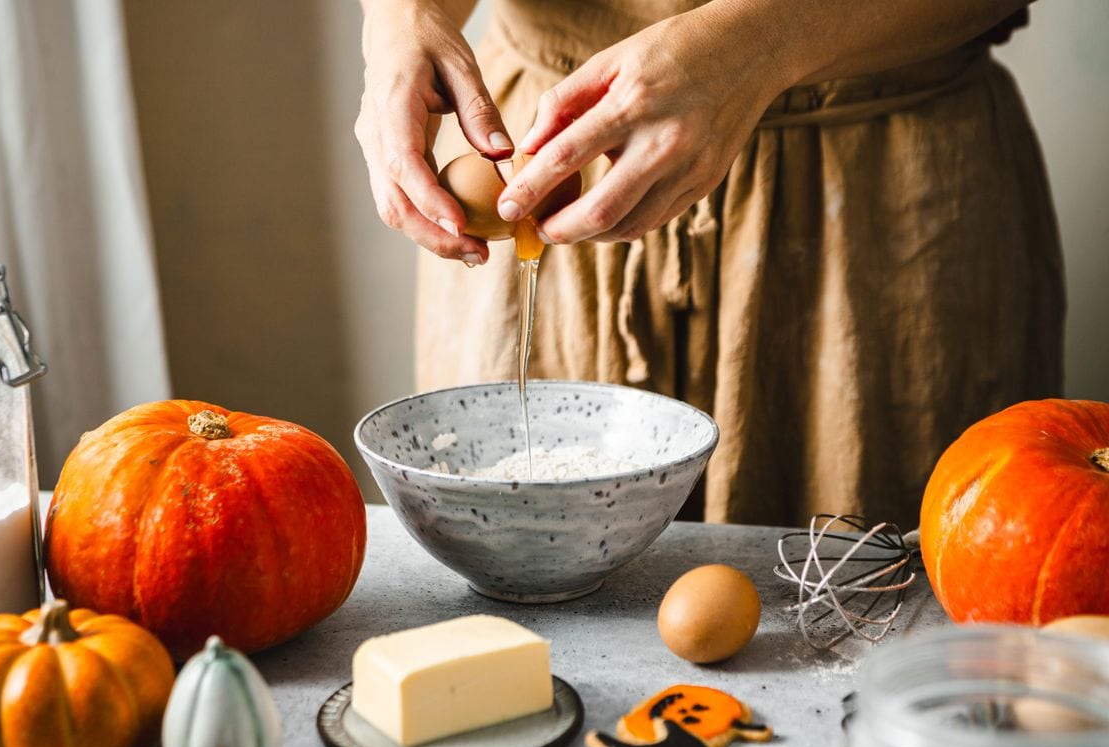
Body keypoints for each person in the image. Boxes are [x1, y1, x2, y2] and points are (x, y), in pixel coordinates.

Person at [354, 0, 1063, 528]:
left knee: (878, 583)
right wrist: (400, 20)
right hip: (548, 157)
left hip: (876, 198)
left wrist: (758, 43)